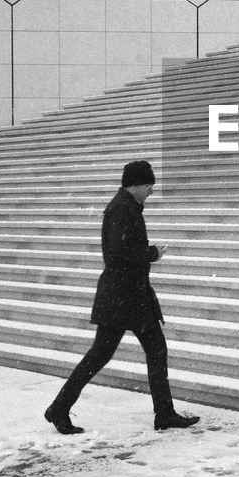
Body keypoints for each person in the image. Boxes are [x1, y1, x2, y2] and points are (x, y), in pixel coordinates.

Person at [44, 160, 200, 434]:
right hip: (124, 297)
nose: (152, 189)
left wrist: (147, 253)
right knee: (106, 355)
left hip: (128, 296)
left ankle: (163, 413)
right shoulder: (120, 209)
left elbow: (123, 251)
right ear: (135, 184)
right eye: (148, 184)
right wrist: (152, 253)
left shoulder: (127, 207)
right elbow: (118, 254)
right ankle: (60, 408)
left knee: (145, 352)